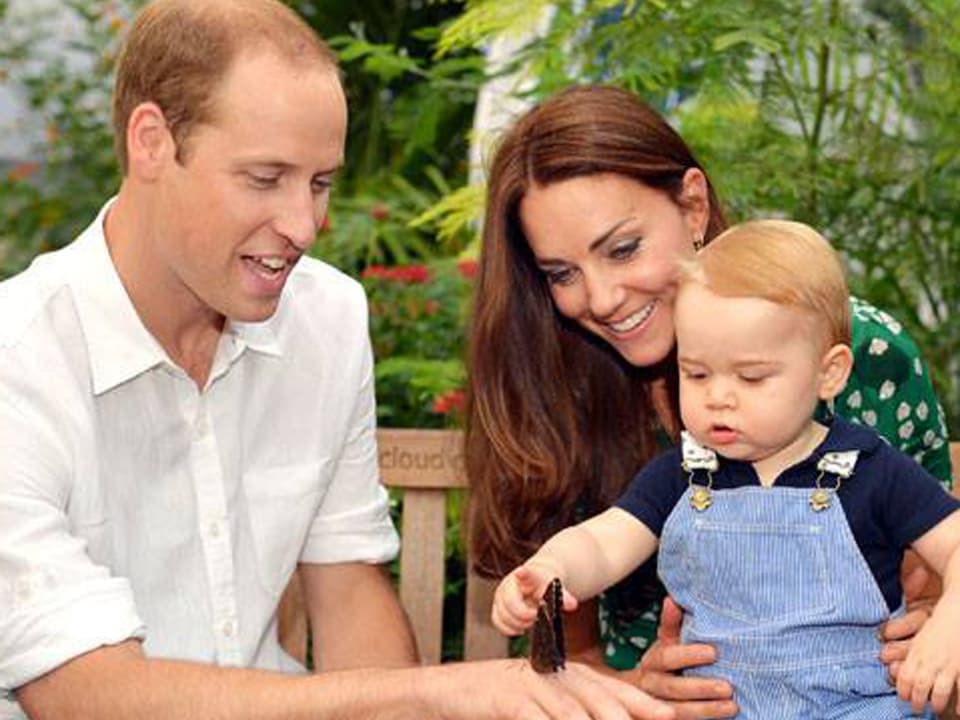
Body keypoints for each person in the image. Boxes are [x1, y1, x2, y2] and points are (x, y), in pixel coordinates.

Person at [0, 4, 676, 720]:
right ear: (152, 143)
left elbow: (348, 588)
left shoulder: (325, 316)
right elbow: (82, 694)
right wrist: (436, 691)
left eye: (320, 183)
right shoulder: (20, 359)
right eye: (266, 178)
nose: (302, 226)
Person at [465, 84, 953, 719]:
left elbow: (941, 564)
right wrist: (634, 687)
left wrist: (938, 628)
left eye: (622, 248)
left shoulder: (844, 362)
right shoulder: (601, 415)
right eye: (561, 273)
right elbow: (598, 556)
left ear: (692, 206)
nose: (604, 297)